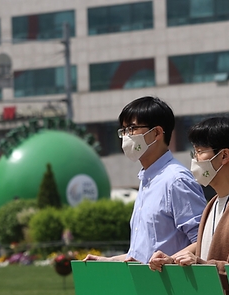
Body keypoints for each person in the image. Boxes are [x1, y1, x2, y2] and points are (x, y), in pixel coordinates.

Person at [149, 116, 229, 272]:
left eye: (199, 151)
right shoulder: (213, 203)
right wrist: (173, 261)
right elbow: (204, 253)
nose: (194, 159)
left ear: (224, 156)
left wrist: (202, 265)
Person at [85, 97, 205, 263]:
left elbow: (204, 240)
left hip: (173, 285)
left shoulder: (176, 180)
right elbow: (143, 254)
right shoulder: (147, 179)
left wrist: (171, 260)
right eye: (124, 130)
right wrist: (109, 260)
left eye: (132, 128)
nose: (127, 136)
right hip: (147, 285)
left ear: (156, 133)